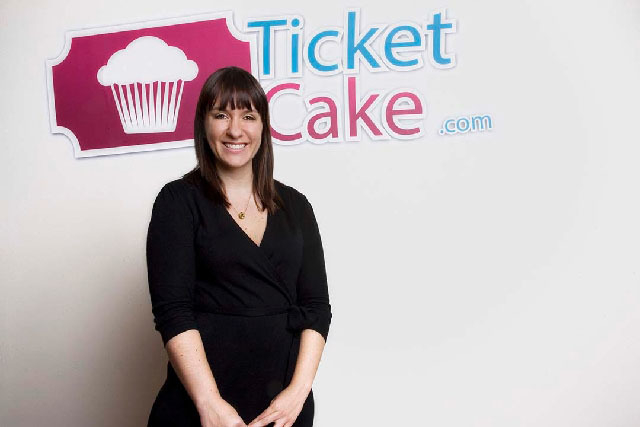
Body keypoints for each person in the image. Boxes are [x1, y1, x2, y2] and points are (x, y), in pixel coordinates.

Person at [145, 66, 332, 427]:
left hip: (283, 410)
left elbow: (316, 307)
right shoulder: (177, 201)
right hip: (201, 408)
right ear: (204, 125)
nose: (235, 129)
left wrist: (298, 393)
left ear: (263, 126)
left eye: (248, 116)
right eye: (221, 115)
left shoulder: (297, 206)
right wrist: (209, 404)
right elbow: (173, 311)